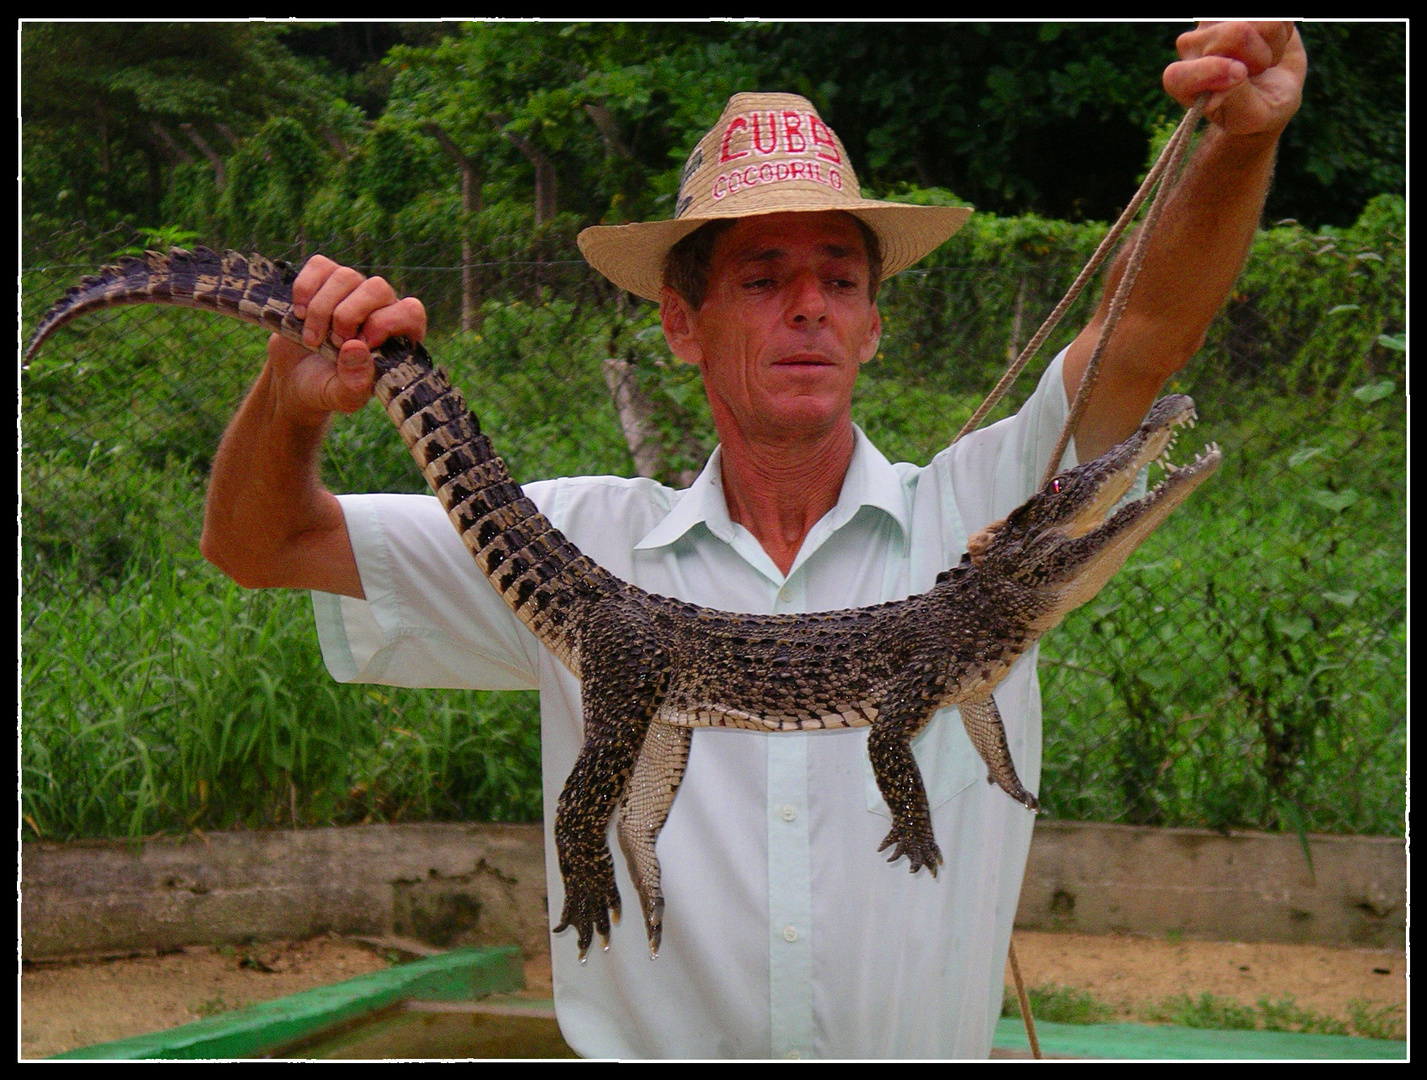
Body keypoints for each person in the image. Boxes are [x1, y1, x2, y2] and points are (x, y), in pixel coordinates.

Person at [201, 22, 1306, 1058]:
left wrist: (1238, 142)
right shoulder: (584, 538)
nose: (808, 307)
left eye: (838, 278)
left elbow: (1147, 330)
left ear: (873, 322)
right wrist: (287, 404)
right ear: (682, 325)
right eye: (762, 279)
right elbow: (262, 544)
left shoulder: (982, 515)